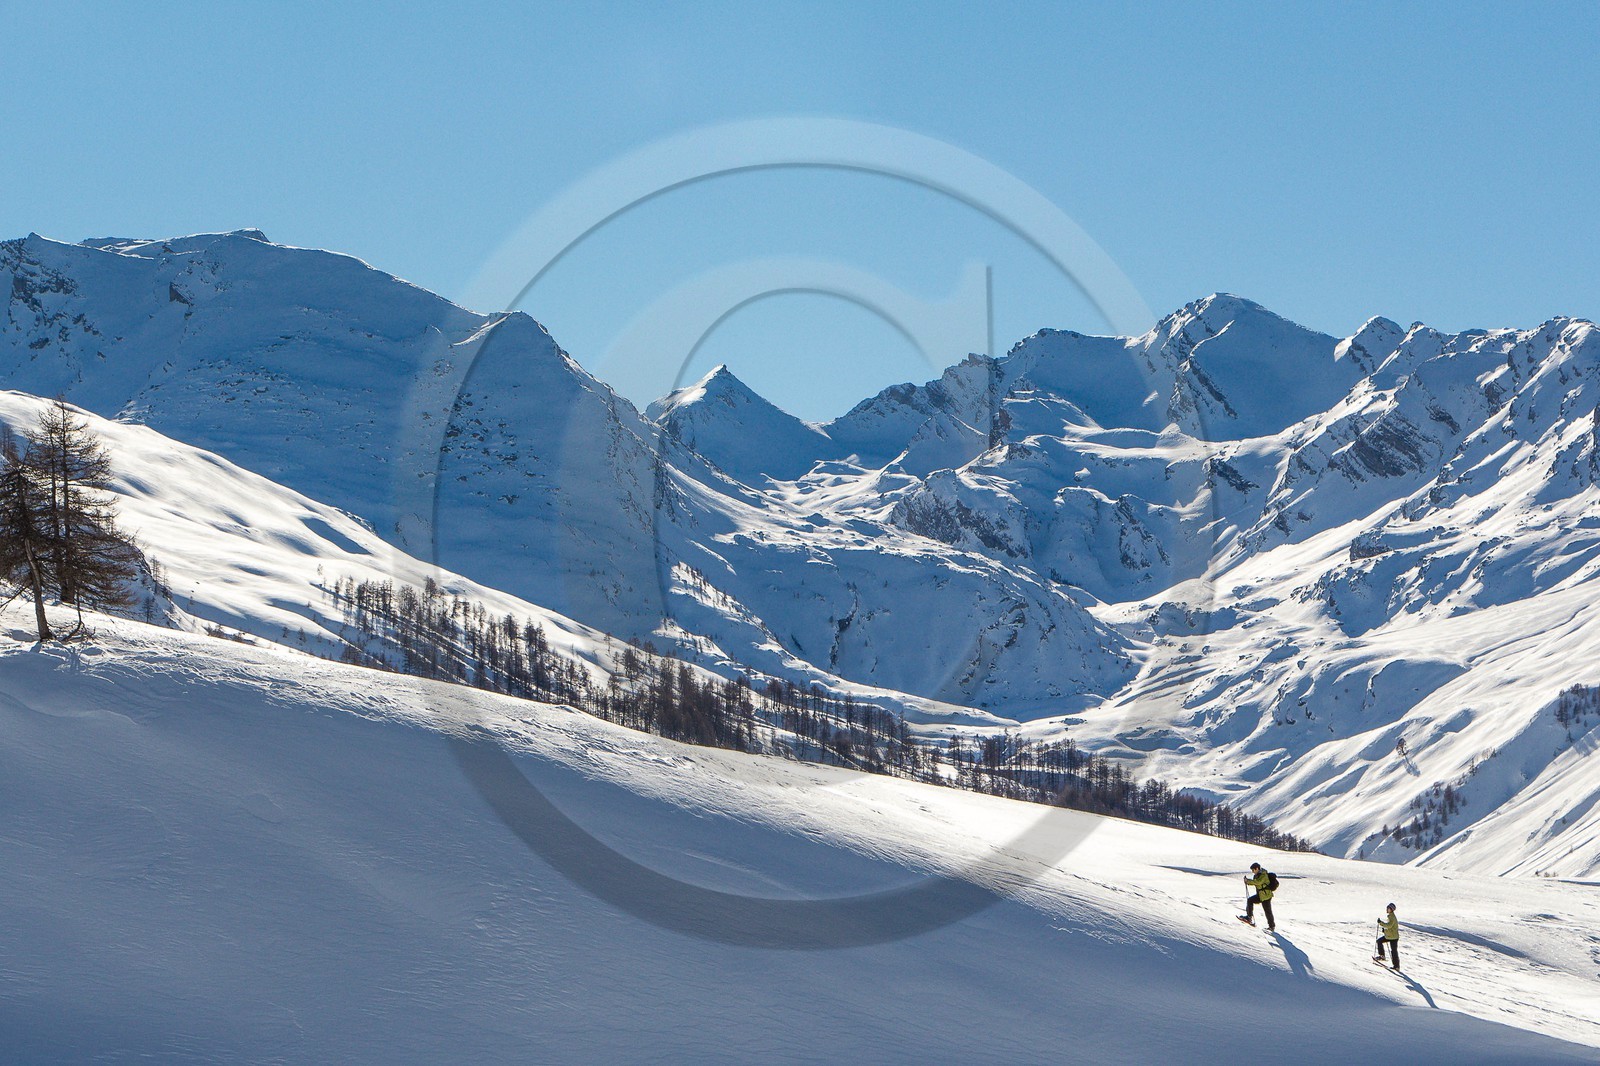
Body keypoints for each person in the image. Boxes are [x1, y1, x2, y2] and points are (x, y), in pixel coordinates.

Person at [1240, 862, 1276, 930]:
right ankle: (1249, 917)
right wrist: (1248, 882)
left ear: (1257, 868)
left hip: (1266, 896)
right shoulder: (1257, 875)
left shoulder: (1263, 875)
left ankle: (1272, 926)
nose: (1253, 872)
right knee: (1250, 900)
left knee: (1268, 911)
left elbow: (1258, 882)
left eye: (1253, 870)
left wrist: (1248, 881)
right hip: (1260, 895)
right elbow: (1255, 882)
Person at [1374, 903, 1401, 970]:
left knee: (1393, 951)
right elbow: (1390, 928)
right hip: (1391, 936)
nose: (1387, 909)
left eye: (1388, 908)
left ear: (1391, 910)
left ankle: (1395, 965)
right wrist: (1385, 931)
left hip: (1393, 937)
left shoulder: (1392, 917)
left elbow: (1389, 925)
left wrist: (1381, 923)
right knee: (1392, 950)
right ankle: (1395, 966)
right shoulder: (1390, 916)